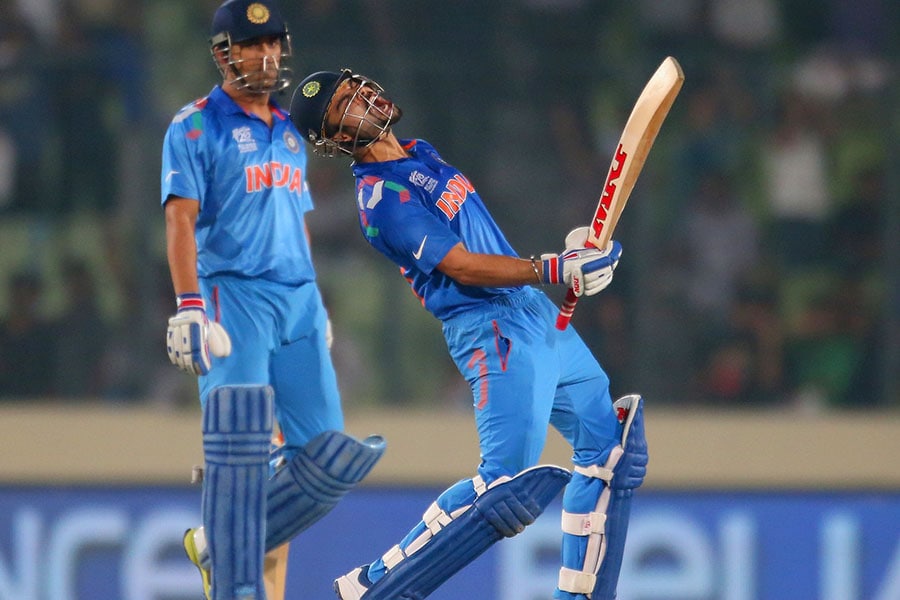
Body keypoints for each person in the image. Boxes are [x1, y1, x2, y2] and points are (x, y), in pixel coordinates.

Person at [290, 69, 649, 600]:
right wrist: (554, 267)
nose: (363, 96)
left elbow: (484, 242)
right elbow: (461, 267)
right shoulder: (382, 199)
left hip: (531, 312)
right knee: (503, 490)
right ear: (339, 138)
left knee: (611, 454)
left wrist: (574, 253)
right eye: (346, 103)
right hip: (492, 329)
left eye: (355, 86)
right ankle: (374, 587)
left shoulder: (420, 151)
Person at [160, 4, 384, 599]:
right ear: (222, 53)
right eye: (251, 44)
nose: (266, 55)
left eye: (273, 43)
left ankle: (217, 543)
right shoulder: (193, 126)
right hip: (233, 298)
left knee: (329, 463)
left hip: (299, 303)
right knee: (242, 457)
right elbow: (180, 222)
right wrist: (189, 305)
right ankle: (234, 577)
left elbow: (296, 220)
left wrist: (317, 304)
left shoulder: (288, 129)